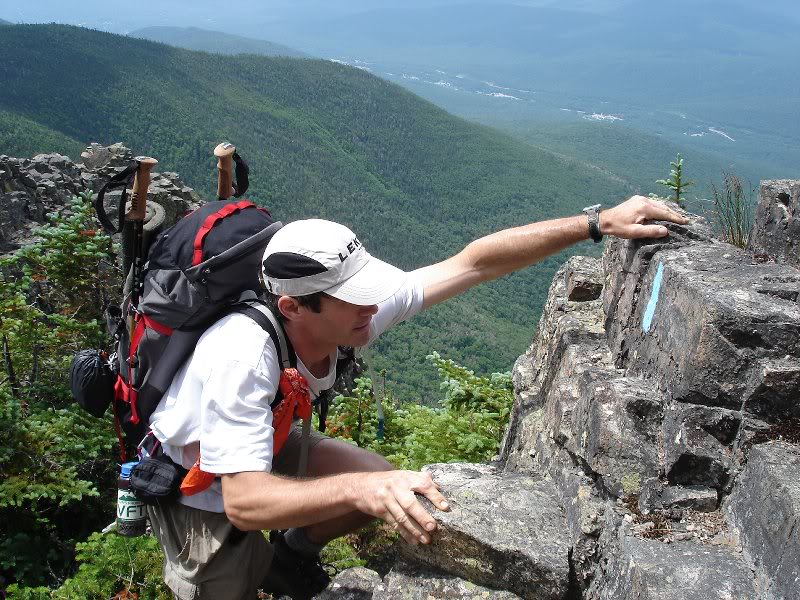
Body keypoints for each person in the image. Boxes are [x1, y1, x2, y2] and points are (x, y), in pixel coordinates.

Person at [146, 195, 687, 599]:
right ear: (294, 309)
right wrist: (364, 490)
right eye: (354, 299)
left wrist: (595, 223)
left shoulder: (343, 312)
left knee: (376, 473)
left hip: (266, 438)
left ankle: (289, 559)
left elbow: (473, 263)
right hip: (204, 487)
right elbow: (243, 503)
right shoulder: (241, 356)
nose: (372, 306)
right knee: (237, 580)